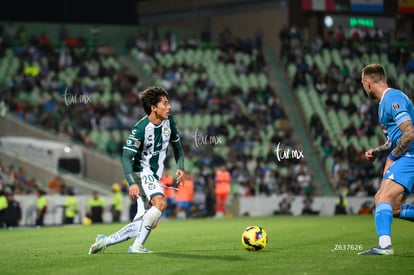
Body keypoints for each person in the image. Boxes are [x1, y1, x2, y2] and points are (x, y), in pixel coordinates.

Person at [88, 86, 185, 254]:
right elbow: (126, 157)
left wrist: (181, 167)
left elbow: (177, 146)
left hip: (154, 176)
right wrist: (132, 183)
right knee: (160, 203)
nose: (169, 107)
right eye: (165, 103)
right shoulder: (140, 129)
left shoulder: (169, 122)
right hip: (141, 173)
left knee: (148, 222)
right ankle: (137, 247)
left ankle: (104, 242)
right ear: (154, 108)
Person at [358, 64, 414, 256]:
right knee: (393, 207)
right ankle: (383, 245)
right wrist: (378, 150)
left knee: (383, 198)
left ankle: (384, 247)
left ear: (368, 83)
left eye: (363, 84)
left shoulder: (392, 98)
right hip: (406, 155)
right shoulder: (385, 103)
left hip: (410, 156)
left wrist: (391, 158)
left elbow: (409, 134)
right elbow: (396, 139)